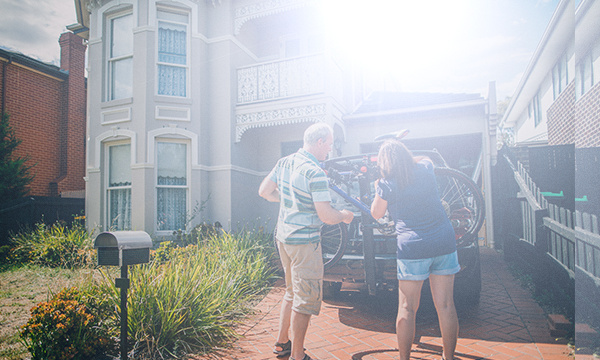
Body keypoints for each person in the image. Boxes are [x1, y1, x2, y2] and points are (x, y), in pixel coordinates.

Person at [258, 123, 354, 360]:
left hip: (284, 239)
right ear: (320, 142)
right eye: (329, 144)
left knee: (291, 292)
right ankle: (298, 355)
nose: (329, 150)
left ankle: (282, 344)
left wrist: (289, 199)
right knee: (306, 298)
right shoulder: (315, 172)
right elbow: (327, 216)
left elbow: (264, 191)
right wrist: (344, 215)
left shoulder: (285, 163)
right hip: (305, 243)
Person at [370, 140, 460, 360]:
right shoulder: (425, 168)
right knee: (446, 305)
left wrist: (378, 187)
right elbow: (425, 158)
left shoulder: (386, 183)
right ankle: (448, 358)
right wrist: (408, 160)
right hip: (443, 242)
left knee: (407, 308)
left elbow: (376, 213)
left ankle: (404, 359)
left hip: (413, 248)